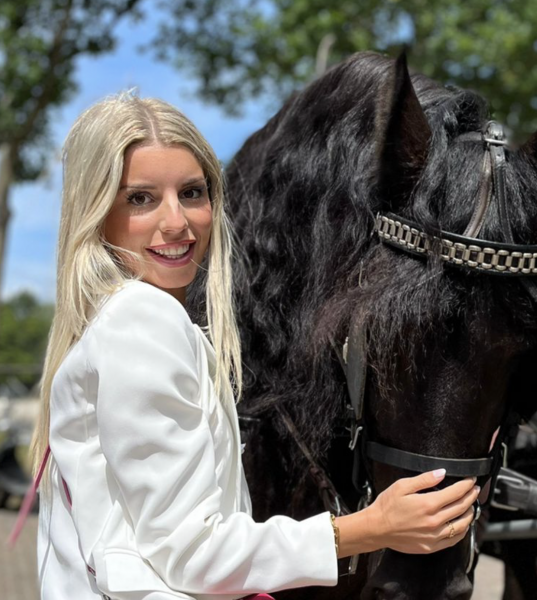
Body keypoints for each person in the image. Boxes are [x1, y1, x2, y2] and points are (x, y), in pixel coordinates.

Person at [30, 93, 480, 600]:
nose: (177, 222)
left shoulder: (114, 321)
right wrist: (371, 527)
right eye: (141, 198)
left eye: (192, 193)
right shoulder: (142, 319)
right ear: (96, 212)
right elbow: (194, 555)